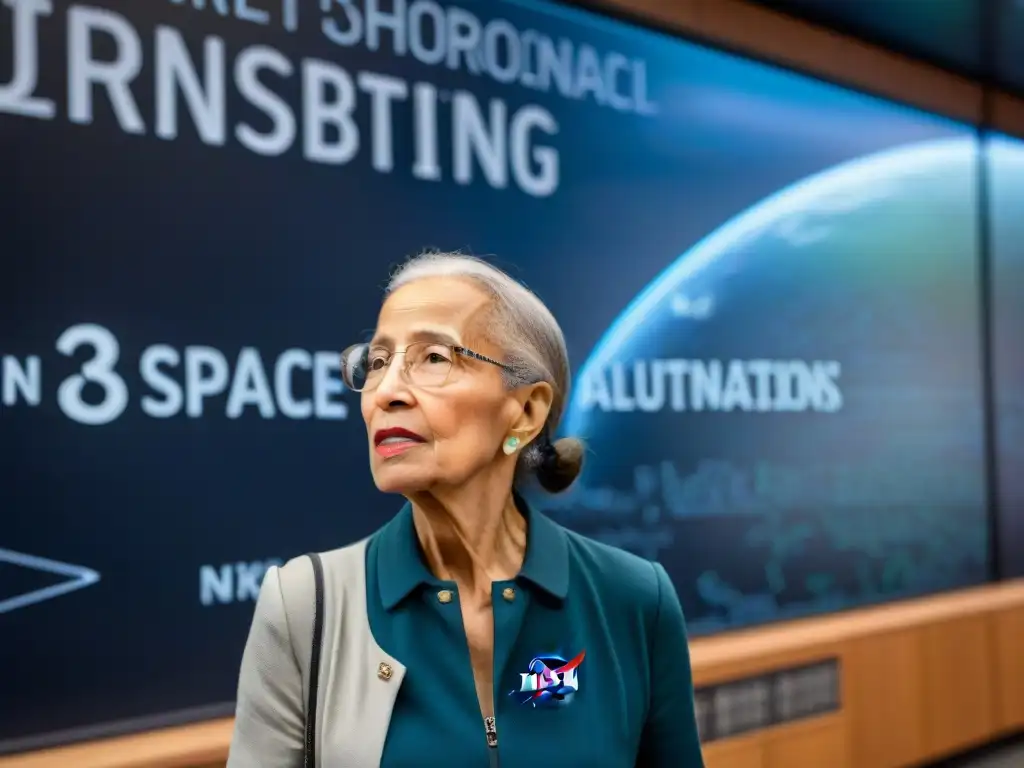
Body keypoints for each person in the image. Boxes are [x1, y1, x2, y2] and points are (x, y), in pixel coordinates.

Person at [227, 252, 705, 767]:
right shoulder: (304, 604)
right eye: (378, 362)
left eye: (433, 358)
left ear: (524, 412)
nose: (385, 392)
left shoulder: (633, 599)